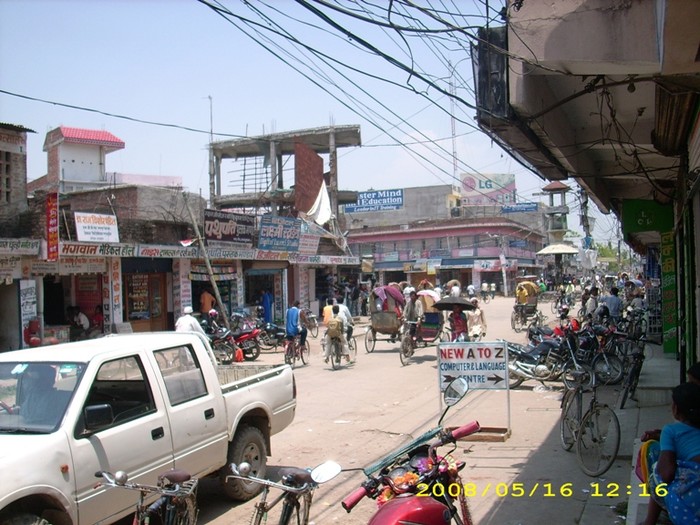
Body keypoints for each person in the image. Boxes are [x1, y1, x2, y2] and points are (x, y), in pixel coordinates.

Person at [641, 381, 700, 525]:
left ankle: (650, 521)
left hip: (691, 511)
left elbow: (666, 474)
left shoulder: (671, 430)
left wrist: (664, 441)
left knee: (655, 465)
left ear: (676, 408)